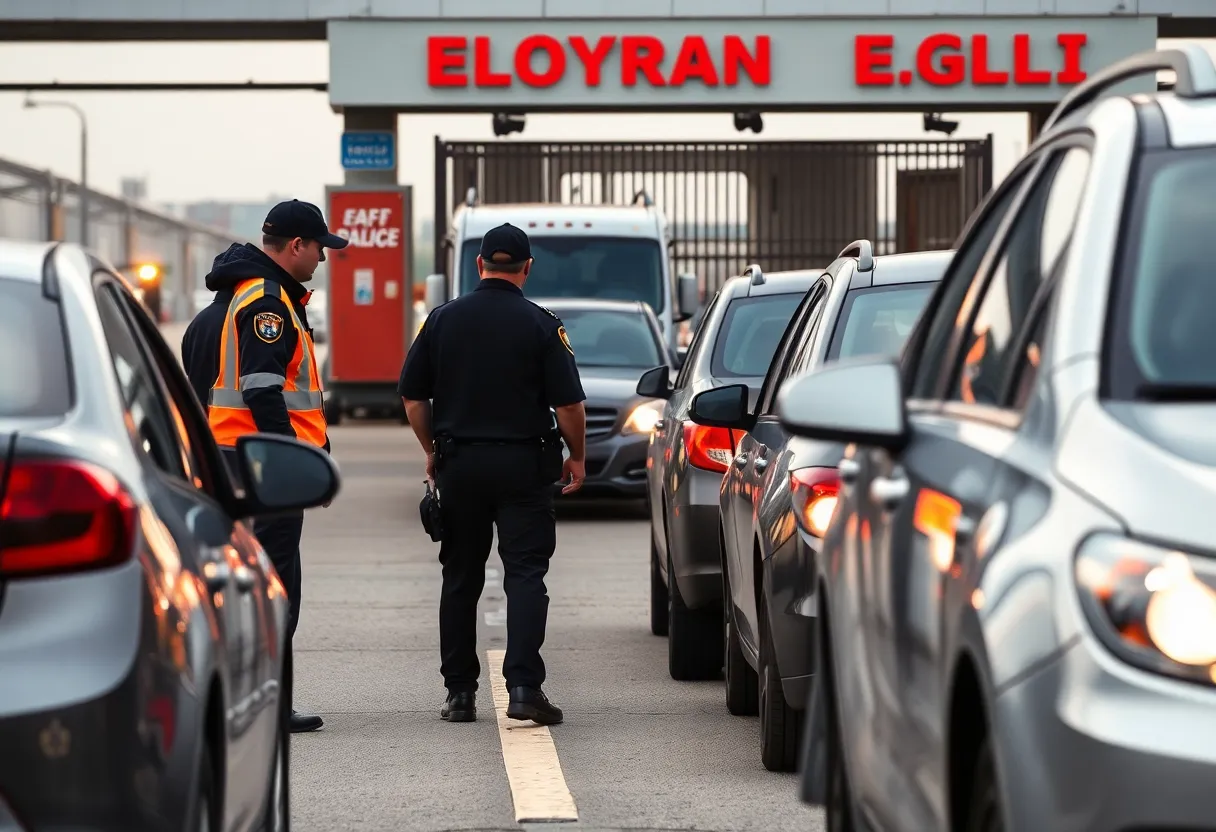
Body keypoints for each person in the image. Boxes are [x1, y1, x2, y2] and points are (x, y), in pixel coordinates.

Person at [398, 222, 587, 726]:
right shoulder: (542, 325)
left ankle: (460, 694)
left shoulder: (440, 320)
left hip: (460, 465)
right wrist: (577, 455)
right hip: (525, 466)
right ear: (527, 268)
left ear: (479, 264)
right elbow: (569, 406)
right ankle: (524, 688)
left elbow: (413, 397)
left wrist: (432, 449)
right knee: (525, 573)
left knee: (461, 575)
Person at [181, 198, 346, 734]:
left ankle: (254, 698)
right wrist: (290, 461)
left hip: (235, 459)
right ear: (296, 245)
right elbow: (262, 389)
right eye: (319, 247)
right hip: (259, 464)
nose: (323, 258)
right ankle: (264, 705)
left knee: (257, 583)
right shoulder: (267, 302)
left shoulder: (242, 300)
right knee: (274, 586)